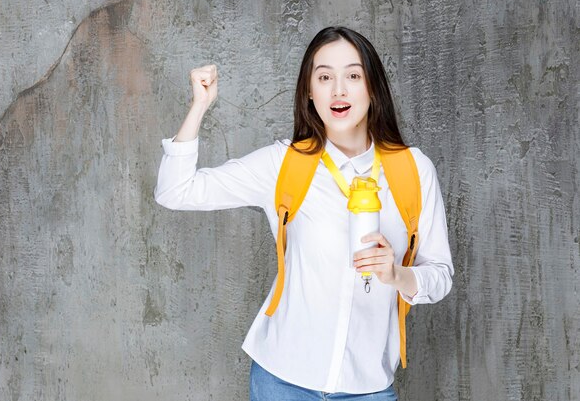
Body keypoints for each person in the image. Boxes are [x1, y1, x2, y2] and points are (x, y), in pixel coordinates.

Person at [155, 26, 453, 401]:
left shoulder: (414, 169)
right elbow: (174, 191)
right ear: (310, 92)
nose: (339, 90)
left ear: (372, 88)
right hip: (281, 382)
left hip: (367, 389)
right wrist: (198, 106)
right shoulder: (284, 163)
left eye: (354, 76)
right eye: (325, 77)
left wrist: (395, 273)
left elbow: (440, 276)